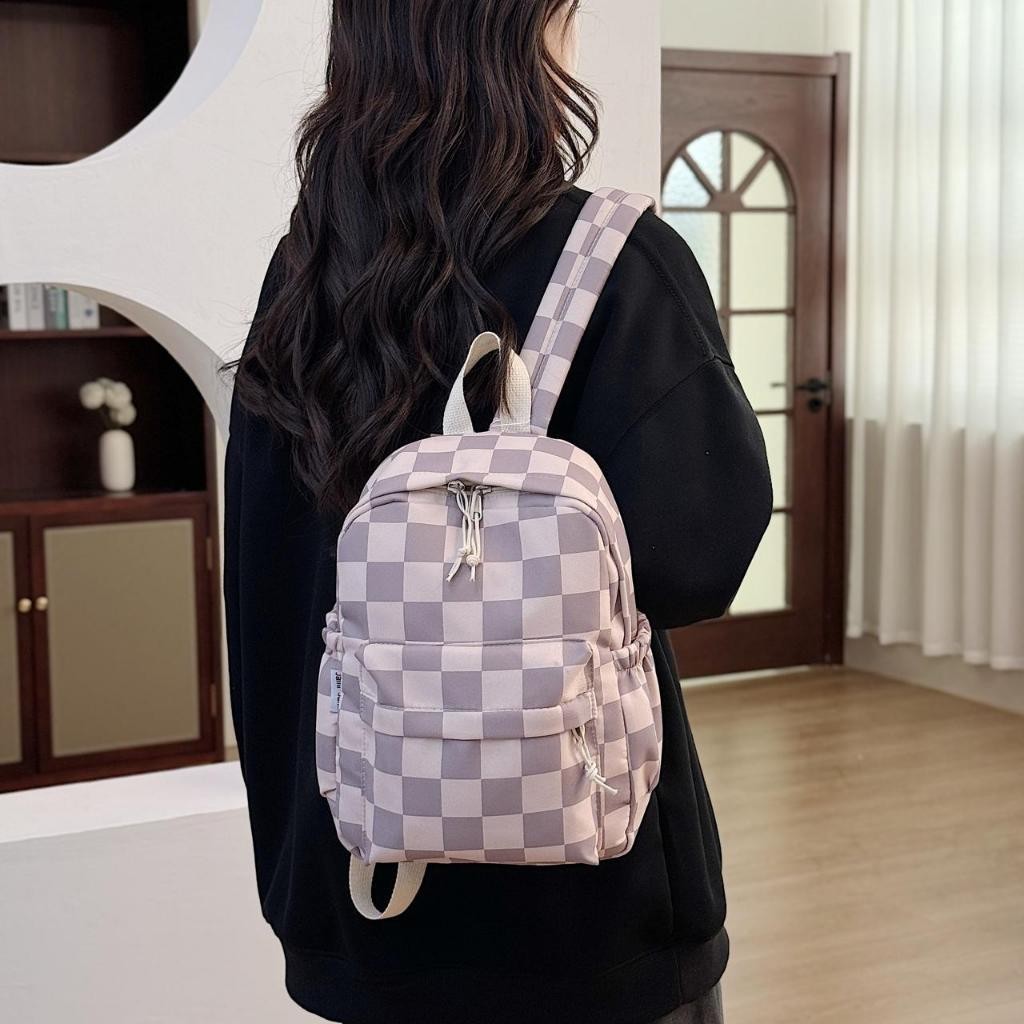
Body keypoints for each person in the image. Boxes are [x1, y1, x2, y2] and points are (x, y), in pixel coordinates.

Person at [224, 2, 772, 1022]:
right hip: (590, 920)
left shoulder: (303, 273)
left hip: (358, 891)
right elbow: (701, 560)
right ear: (518, 33)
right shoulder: (617, 261)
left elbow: (264, 572)